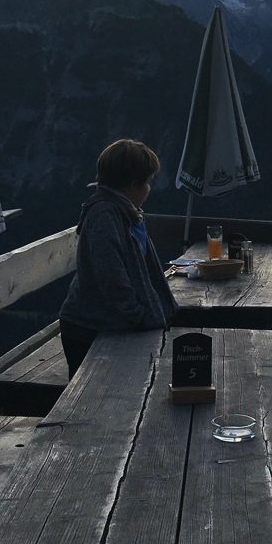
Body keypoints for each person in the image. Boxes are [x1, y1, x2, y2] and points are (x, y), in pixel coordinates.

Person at [59, 139, 177, 377]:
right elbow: (112, 279)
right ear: (133, 185)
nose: (149, 190)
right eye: (147, 183)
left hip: (109, 324)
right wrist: (140, 316)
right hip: (92, 330)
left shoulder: (122, 211)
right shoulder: (105, 216)